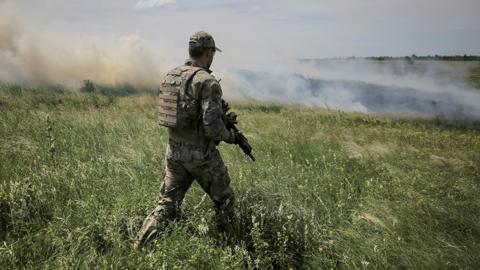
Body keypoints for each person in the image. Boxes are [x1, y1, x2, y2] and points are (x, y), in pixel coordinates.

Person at [135, 31, 237, 248]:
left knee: (166, 205)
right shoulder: (207, 82)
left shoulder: (171, 75)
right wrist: (231, 136)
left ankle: (141, 247)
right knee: (225, 201)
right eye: (212, 53)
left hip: (174, 153)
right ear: (209, 53)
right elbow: (212, 129)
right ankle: (226, 247)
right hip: (201, 156)